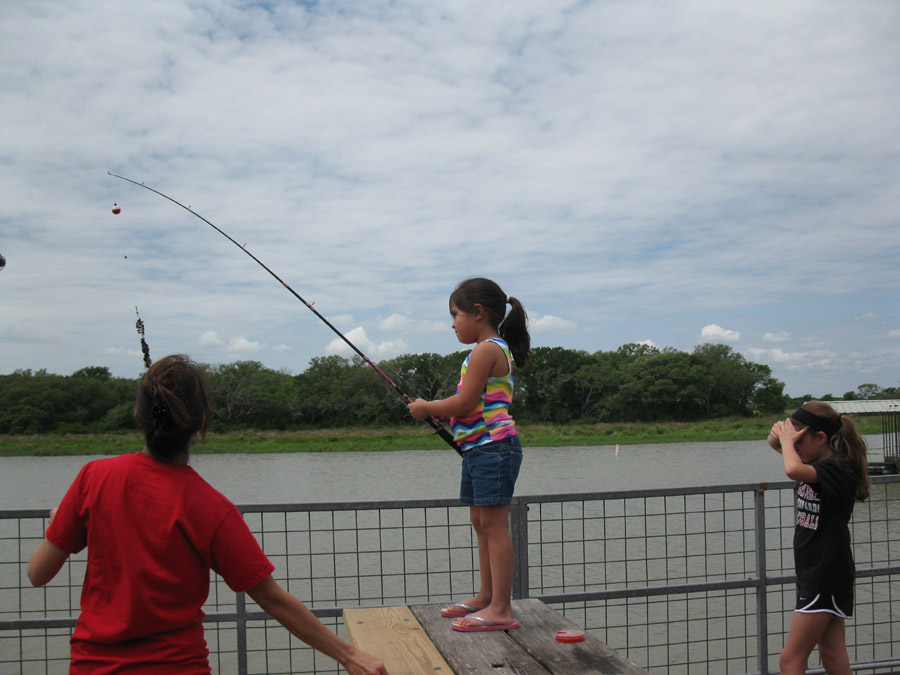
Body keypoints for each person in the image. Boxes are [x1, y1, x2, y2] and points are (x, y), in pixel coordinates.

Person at [28, 354, 388, 675]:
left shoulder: (93, 478)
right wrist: (350, 656)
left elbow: (37, 574)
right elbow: (273, 599)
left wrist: (59, 522)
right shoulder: (211, 507)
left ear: (139, 417)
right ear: (201, 422)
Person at [408, 277, 530, 632]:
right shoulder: (485, 351)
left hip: (494, 447)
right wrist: (439, 411)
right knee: (481, 524)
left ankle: (501, 609)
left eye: (455, 314)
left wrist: (426, 406)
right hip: (478, 448)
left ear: (478, 313)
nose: (452, 323)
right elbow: (468, 407)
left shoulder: (486, 349)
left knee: (494, 525)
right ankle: (486, 597)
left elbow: (462, 402)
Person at [767, 401, 870, 675]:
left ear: (821, 438)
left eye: (801, 441)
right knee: (832, 654)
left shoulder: (837, 470)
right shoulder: (816, 464)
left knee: (790, 660)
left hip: (824, 575)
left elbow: (792, 469)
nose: (795, 449)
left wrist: (789, 442)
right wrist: (782, 435)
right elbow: (776, 446)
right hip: (822, 572)